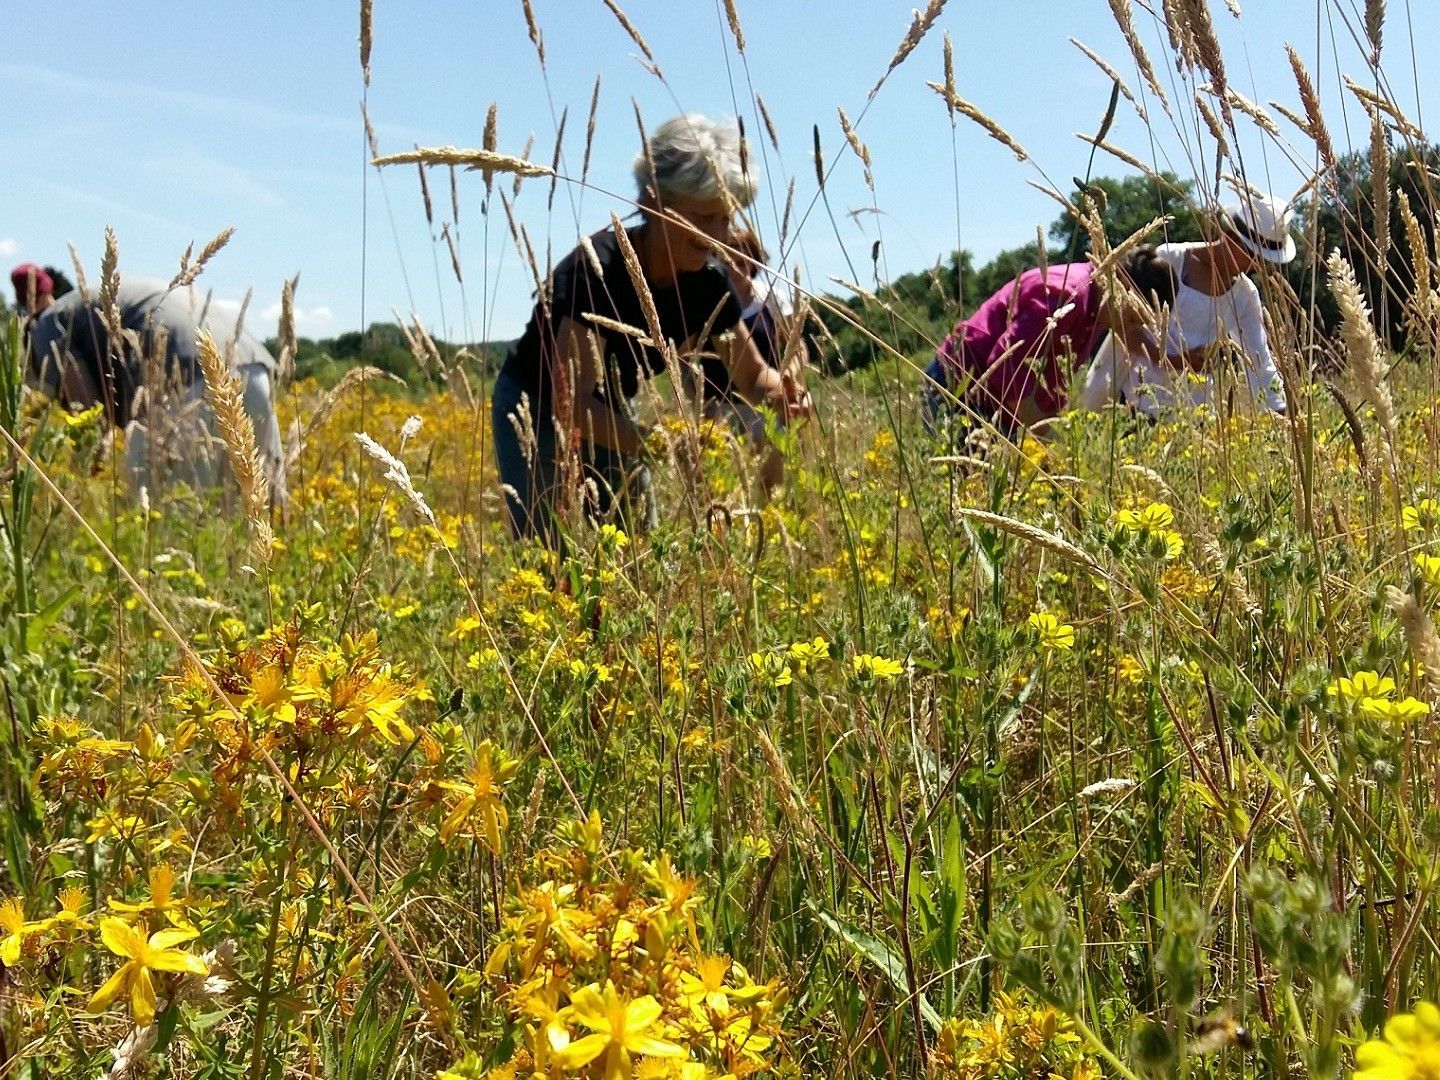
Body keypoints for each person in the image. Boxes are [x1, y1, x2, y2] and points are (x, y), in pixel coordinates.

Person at [491, 113, 810, 544]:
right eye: (704, 217)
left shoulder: (707, 285)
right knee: (547, 554)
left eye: (727, 217)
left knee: (642, 551)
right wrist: (659, 443)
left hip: (614, 413)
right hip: (536, 408)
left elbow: (751, 375)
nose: (721, 235)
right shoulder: (596, 271)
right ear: (655, 205)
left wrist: (782, 392)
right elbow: (575, 404)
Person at [25, 275, 286, 502]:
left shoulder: (44, 327)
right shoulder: (83, 302)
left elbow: (88, 409)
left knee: (165, 518)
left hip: (190, 382)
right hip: (254, 368)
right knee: (256, 514)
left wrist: (85, 471)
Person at [1075, 190, 1293, 417]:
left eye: (1263, 260)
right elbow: (1123, 325)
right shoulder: (1171, 260)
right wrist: (1173, 361)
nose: (1256, 265)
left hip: (1192, 412)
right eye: (1252, 254)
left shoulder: (1245, 295)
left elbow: (1259, 361)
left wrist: (1283, 415)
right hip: (1135, 402)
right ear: (1230, 236)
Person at [922, 247, 1178, 436]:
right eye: (1134, 319)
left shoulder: (1094, 309)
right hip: (957, 392)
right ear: (1124, 289)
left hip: (997, 408)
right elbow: (1006, 369)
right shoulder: (1068, 295)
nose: (1130, 329)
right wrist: (1050, 440)